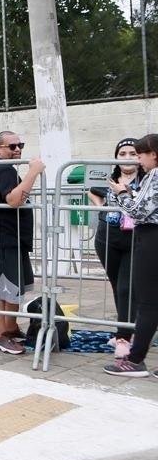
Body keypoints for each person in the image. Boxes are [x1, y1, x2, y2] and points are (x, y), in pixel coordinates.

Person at [0, 131, 45, 355]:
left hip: (8, 238)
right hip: (0, 238)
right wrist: (33, 172)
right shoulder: (2, 168)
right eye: (11, 146)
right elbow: (14, 200)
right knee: (0, 288)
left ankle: (10, 328)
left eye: (20, 145)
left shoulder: (3, 169)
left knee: (12, 286)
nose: (17, 150)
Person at [104, 134, 158, 377]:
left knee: (148, 303)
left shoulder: (155, 175)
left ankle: (134, 361)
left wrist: (122, 193)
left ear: (153, 154)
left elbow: (138, 211)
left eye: (140, 154)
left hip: (151, 240)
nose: (139, 161)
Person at [88, 138, 143, 361]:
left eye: (132, 153)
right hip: (107, 237)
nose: (127, 158)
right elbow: (92, 190)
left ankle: (123, 337)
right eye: (123, 154)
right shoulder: (110, 179)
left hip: (135, 239)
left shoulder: (148, 179)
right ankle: (125, 328)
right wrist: (101, 209)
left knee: (126, 288)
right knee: (116, 284)